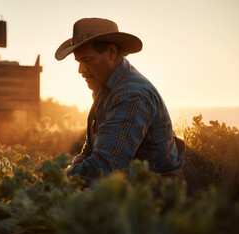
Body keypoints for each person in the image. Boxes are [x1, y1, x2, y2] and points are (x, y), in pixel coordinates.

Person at [56, 18, 184, 184]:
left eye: (87, 60)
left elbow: (102, 168)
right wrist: (81, 162)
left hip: (153, 198)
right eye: (78, 62)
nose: (80, 70)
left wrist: (56, 179)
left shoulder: (131, 94)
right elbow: (91, 151)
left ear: (111, 53)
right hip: (129, 190)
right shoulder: (107, 88)